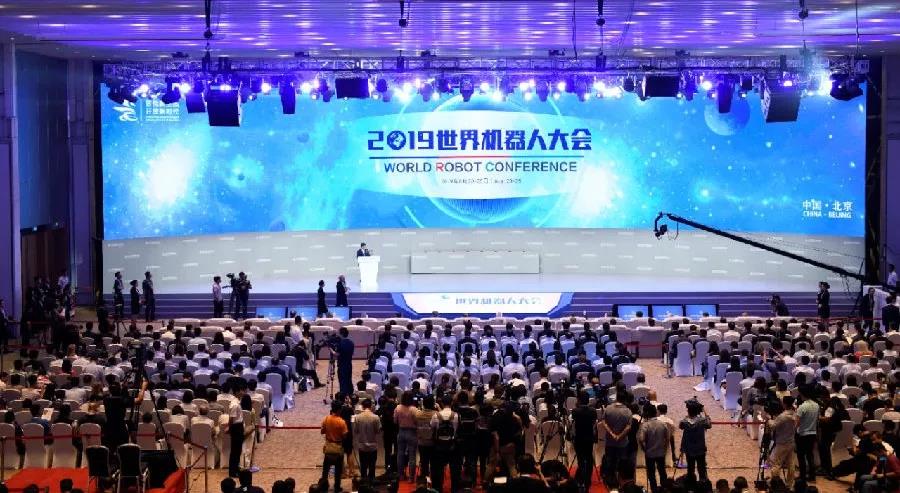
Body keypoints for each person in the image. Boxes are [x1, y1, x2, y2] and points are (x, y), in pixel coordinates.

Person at [601, 391, 633, 487]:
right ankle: (621, 484)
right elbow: (628, 427)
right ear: (625, 400)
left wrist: (612, 434)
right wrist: (619, 436)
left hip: (610, 442)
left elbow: (604, 422)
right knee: (622, 464)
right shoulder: (628, 411)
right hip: (622, 443)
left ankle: (610, 484)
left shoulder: (608, 408)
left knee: (610, 463)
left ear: (616, 398)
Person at [638, 404, 671, 493]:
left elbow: (641, 439)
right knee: (662, 472)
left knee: (651, 473)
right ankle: (664, 489)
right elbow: (667, 438)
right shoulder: (663, 424)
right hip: (661, 452)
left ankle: (654, 489)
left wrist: (644, 449)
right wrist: (665, 448)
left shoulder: (645, 425)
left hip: (649, 453)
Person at [679, 398, 711, 483]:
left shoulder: (684, 422)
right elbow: (709, 425)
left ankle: (691, 484)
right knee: (702, 469)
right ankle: (703, 484)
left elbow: (680, 426)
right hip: (700, 448)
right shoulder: (702, 421)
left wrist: (687, 416)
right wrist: (706, 413)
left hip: (689, 449)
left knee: (690, 469)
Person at [571, 390, 598, 490]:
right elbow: (594, 423)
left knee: (581, 460)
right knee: (589, 458)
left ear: (579, 399)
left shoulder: (575, 411)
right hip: (589, 438)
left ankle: (581, 480)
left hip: (579, 438)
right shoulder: (593, 411)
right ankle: (588, 480)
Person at [795, 387, 819, 483]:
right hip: (812, 433)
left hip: (802, 434)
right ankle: (812, 476)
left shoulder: (802, 407)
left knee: (801, 456)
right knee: (810, 455)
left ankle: (802, 476)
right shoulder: (816, 405)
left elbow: (797, 423)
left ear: (802, 394)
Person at [354, 398, 381, 484]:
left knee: (363, 465)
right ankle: (371, 482)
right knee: (372, 465)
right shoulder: (375, 417)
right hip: (372, 446)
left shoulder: (358, 417)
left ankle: (363, 482)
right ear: (371, 406)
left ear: (362, 406)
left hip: (362, 446)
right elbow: (378, 431)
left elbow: (356, 431)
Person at [224, 379, 247, 477]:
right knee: (235, 451)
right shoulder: (234, 404)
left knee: (238, 450)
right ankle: (232, 472)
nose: (243, 392)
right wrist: (229, 428)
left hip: (239, 426)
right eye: (242, 390)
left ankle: (236, 468)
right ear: (237, 392)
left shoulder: (237, 401)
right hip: (236, 428)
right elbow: (231, 418)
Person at [336, 326, 354, 396]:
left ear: (341, 334)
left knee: (342, 380)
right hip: (349, 364)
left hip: (342, 365)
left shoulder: (340, 343)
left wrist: (331, 350)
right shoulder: (351, 343)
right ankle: (350, 393)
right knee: (349, 379)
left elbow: (337, 354)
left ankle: (343, 394)